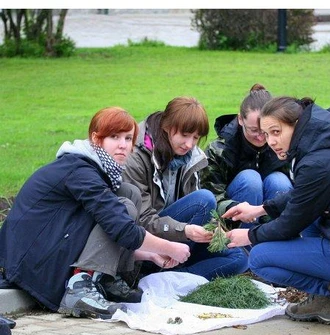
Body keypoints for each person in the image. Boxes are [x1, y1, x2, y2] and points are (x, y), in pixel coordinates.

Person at [222, 96, 330, 331]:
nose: (271, 142)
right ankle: (328, 300)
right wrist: (261, 208)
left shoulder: (317, 159)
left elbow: (290, 223)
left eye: (276, 132)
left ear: (296, 123)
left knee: (259, 258)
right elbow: (306, 194)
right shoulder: (326, 140)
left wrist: (249, 236)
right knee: (307, 219)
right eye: (267, 135)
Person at [0, 107, 191, 320]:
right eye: (114, 137)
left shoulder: (100, 171)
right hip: (33, 260)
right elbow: (120, 228)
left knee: (130, 193)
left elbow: (97, 235)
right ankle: (79, 288)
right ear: (95, 138)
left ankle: (106, 278)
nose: (123, 145)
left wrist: (151, 255)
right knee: (123, 206)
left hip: (51, 246)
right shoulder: (80, 170)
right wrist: (170, 247)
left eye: (128, 138)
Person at [122, 96, 248, 279]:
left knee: (239, 257)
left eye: (195, 137)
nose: (189, 144)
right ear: (166, 126)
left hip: (181, 240)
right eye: (184, 135)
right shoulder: (136, 156)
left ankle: (173, 278)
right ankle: (155, 273)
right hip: (149, 245)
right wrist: (185, 230)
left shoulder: (191, 156)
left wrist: (214, 230)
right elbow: (142, 221)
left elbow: (197, 214)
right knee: (204, 200)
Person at [200, 84, 293, 226]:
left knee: (280, 181)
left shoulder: (286, 145)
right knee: (250, 179)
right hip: (234, 216)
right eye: (253, 130)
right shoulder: (219, 149)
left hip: (271, 212)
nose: (261, 137)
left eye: (267, 130)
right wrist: (232, 207)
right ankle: (244, 240)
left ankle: (276, 237)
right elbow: (209, 194)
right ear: (240, 119)